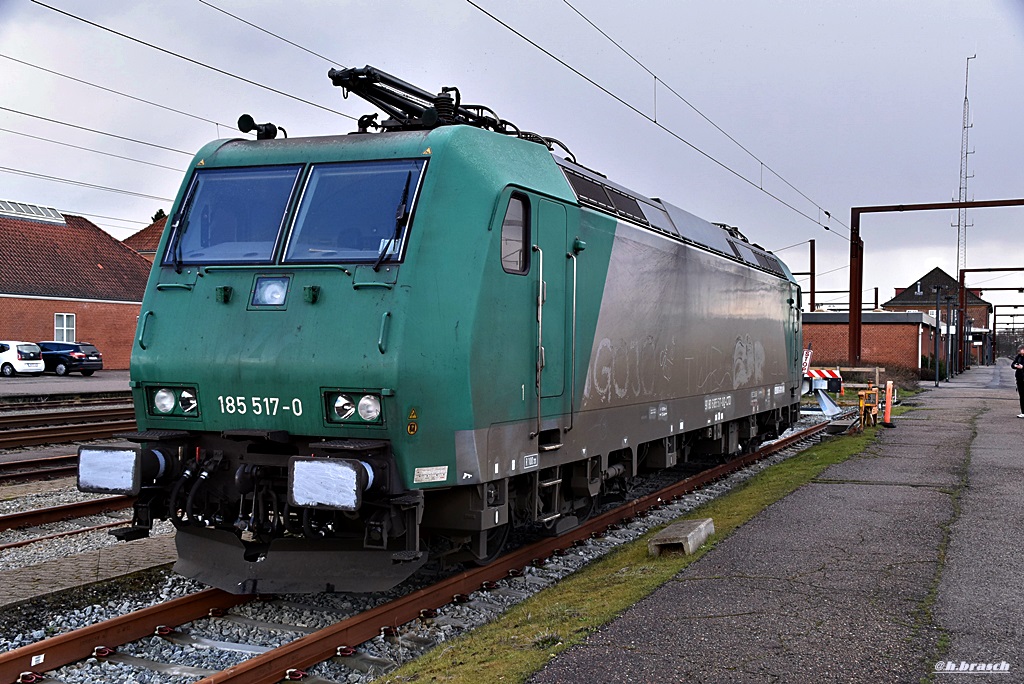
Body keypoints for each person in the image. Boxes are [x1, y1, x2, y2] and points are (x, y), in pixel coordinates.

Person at [1013, 346, 1024, 418]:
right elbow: (1013, 364)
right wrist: (1015, 365)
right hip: (1019, 378)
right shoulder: (1018, 357)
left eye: (1020, 350)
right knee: (1022, 396)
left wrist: (1022, 367)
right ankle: (1023, 412)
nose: (1019, 351)